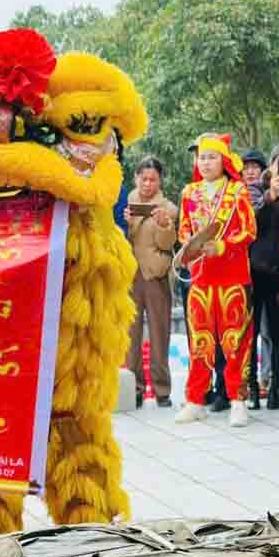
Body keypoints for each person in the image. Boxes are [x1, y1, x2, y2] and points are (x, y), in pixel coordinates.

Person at [176, 133, 258, 428]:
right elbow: (183, 230)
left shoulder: (238, 191)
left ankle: (238, 400)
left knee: (235, 340)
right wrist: (192, 244)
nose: (205, 162)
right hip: (200, 276)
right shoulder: (189, 192)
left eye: (211, 157)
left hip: (233, 275)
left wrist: (222, 246)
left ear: (223, 160)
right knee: (200, 341)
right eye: (201, 157)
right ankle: (195, 400)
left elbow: (249, 231)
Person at [124, 156, 178, 408]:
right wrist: (125, 221)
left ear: (160, 180)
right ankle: (134, 388)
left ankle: (162, 390)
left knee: (160, 333)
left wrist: (165, 224)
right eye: (143, 178)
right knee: (130, 337)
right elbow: (118, 237)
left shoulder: (168, 207)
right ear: (136, 178)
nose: (147, 183)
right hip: (130, 276)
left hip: (155, 276)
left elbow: (167, 245)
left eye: (152, 179)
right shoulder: (126, 202)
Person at [249, 144, 279, 412]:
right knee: (251, 332)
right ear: (271, 165)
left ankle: (276, 388)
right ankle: (253, 389)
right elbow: (252, 221)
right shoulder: (257, 188)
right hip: (254, 271)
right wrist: (272, 194)